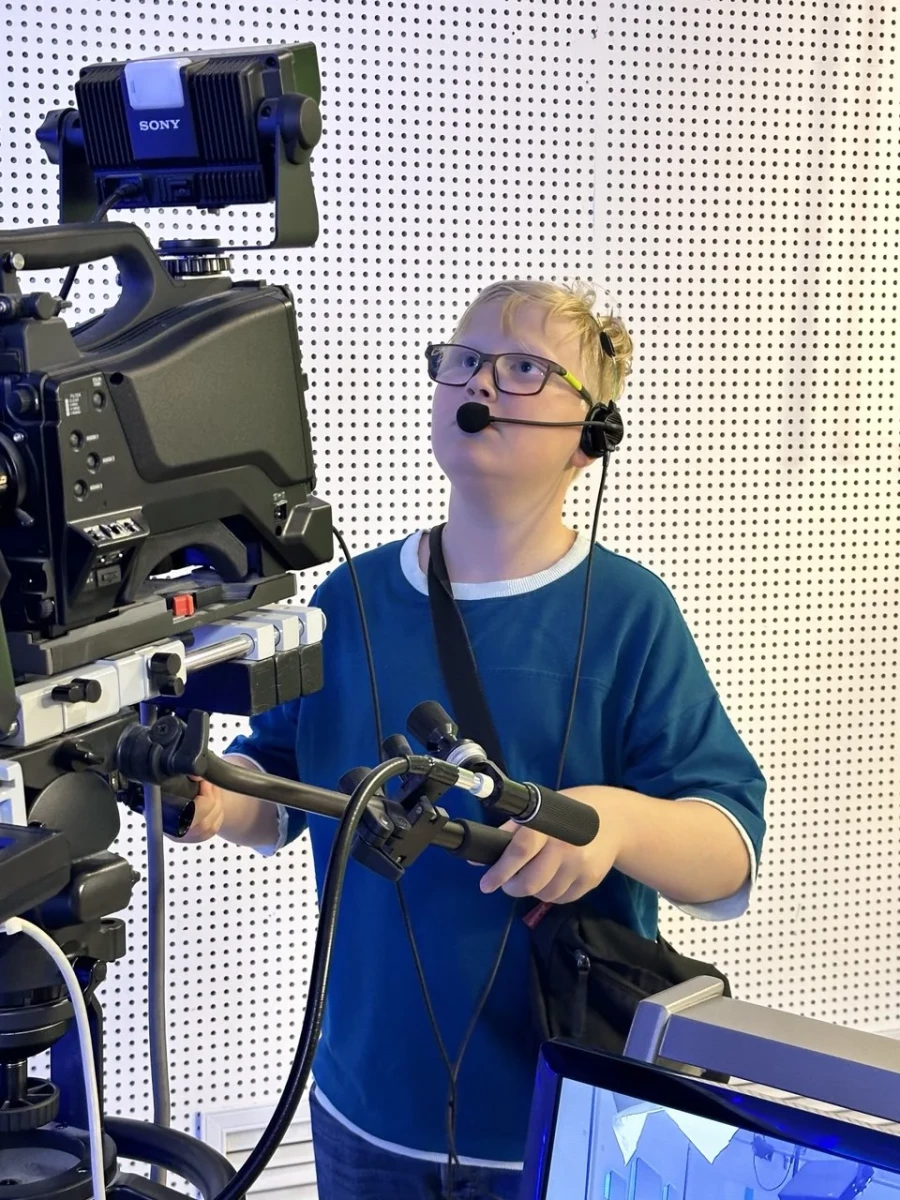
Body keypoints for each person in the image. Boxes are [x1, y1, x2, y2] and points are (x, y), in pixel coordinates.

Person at [183, 280, 767, 1200]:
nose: (480, 382)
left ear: (591, 437)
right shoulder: (349, 599)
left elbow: (726, 854)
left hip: (563, 1117)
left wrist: (610, 823)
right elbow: (280, 787)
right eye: (461, 360)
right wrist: (216, 801)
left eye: (525, 367)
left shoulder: (630, 613)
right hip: (364, 1107)